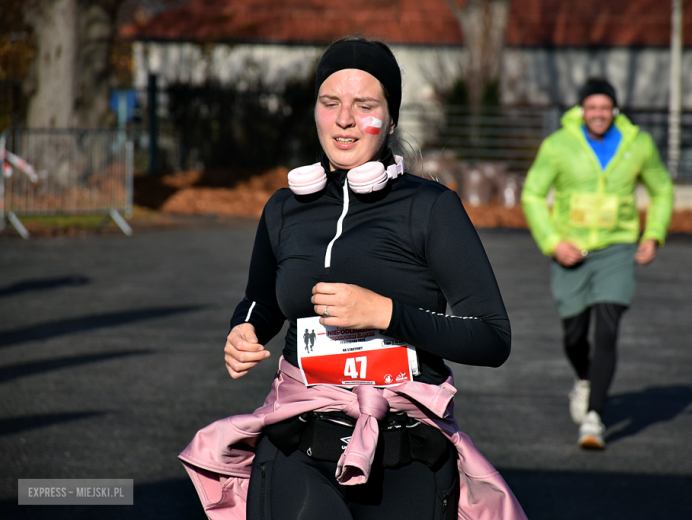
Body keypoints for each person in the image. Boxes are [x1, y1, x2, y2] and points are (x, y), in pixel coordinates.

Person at [179, 36, 527, 520]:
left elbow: (493, 337)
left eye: (364, 105)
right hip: (299, 442)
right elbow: (261, 302)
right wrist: (245, 331)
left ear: (390, 118)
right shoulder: (284, 208)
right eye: (330, 102)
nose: (344, 119)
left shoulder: (430, 208)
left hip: (405, 452)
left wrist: (384, 313)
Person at [521, 77, 674, 450]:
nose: (599, 114)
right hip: (571, 251)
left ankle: (594, 418)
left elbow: (662, 189)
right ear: (582, 111)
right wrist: (553, 243)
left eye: (605, 108)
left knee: (607, 329)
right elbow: (532, 194)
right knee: (574, 334)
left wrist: (652, 234)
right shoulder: (559, 145)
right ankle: (585, 379)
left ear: (615, 111)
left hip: (618, 249)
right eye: (592, 108)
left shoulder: (638, 144)